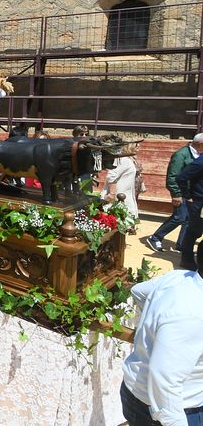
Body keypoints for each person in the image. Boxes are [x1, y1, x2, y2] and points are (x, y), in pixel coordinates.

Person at [120, 247, 203, 426]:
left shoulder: (178, 278)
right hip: (173, 410)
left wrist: (155, 328)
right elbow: (164, 382)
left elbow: (138, 290)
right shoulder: (194, 315)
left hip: (135, 391)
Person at [144, 134, 203, 253]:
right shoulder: (181, 155)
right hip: (181, 193)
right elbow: (173, 177)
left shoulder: (196, 154)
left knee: (188, 219)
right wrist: (176, 194)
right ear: (199, 144)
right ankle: (155, 238)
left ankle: (181, 245)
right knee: (179, 217)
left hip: (190, 194)